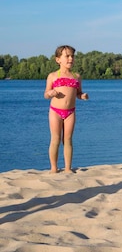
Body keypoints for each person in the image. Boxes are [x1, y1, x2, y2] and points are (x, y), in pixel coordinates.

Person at [44, 45, 89, 173]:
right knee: (55, 139)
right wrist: (51, 93)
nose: (70, 59)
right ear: (58, 59)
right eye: (67, 56)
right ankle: (54, 168)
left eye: (72, 56)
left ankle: (68, 168)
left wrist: (83, 96)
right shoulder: (53, 76)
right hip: (55, 112)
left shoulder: (76, 76)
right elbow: (46, 94)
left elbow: (78, 93)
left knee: (68, 139)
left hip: (70, 112)